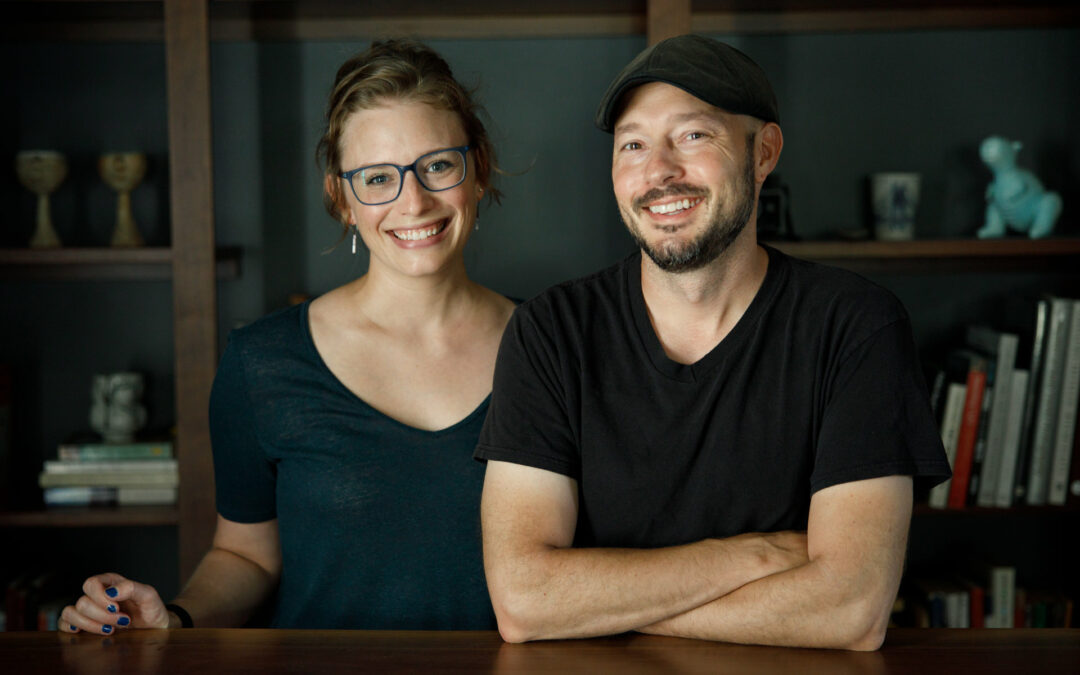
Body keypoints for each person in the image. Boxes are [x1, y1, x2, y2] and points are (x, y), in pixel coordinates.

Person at [475, 34, 950, 650]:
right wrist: (755, 557)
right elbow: (524, 601)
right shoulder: (550, 332)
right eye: (634, 145)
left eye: (694, 136)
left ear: (764, 152)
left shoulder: (855, 326)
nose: (658, 171)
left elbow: (852, 609)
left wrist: (597, 604)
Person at [61, 39, 515, 633]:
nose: (414, 201)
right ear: (341, 198)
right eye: (377, 177)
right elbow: (246, 554)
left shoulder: (555, 347)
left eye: (437, 165)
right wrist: (174, 619)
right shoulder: (263, 362)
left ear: (477, 167)